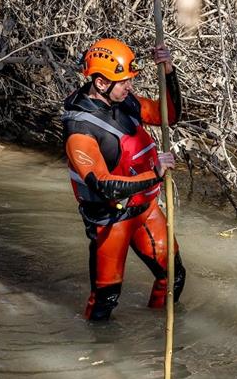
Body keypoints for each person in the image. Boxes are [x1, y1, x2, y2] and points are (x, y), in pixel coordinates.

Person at [62, 37, 185, 321]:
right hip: (111, 221)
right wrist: (155, 173)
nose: (130, 86)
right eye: (124, 81)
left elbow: (169, 115)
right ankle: (98, 357)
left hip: (145, 208)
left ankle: (156, 335)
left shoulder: (123, 100)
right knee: (106, 301)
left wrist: (168, 72)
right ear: (101, 83)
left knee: (173, 278)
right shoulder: (80, 130)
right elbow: (103, 184)